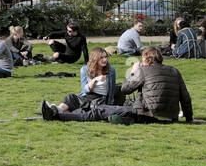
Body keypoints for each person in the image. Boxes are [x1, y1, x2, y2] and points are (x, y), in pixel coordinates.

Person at [42, 47, 193, 124]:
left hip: (147, 114)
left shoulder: (143, 71)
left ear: (145, 59)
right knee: (78, 101)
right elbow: (186, 97)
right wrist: (189, 119)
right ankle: (57, 111)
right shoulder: (174, 70)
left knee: (99, 111)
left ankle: (59, 116)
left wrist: (134, 72)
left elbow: (125, 89)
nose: (105, 60)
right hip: (170, 117)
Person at [56, 48, 124, 111]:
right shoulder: (85, 69)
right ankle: (57, 109)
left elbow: (112, 90)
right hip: (89, 96)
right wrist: (94, 80)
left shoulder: (111, 70)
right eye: (101, 58)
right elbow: (84, 90)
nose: (105, 60)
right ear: (95, 58)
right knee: (70, 97)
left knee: (74, 105)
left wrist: (110, 103)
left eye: (106, 57)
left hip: (101, 99)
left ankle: (57, 111)